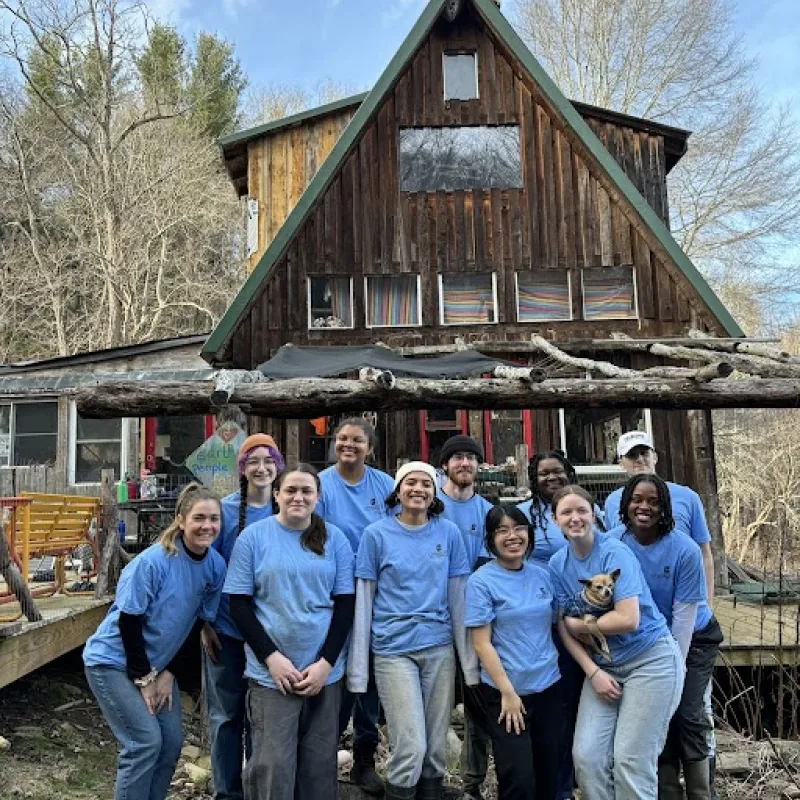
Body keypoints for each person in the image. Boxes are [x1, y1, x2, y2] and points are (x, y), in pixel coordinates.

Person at [83, 483, 226, 800]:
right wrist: (145, 678)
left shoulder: (215, 566)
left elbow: (195, 623)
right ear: (180, 520)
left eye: (214, 519)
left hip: (159, 666)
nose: (207, 526)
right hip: (113, 661)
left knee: (170, 744)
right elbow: (129, 622)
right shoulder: (154, 562)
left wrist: (168, 673)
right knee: (144, 742)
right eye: (199, 518)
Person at [224, 464, 355, 800]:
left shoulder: (335, 539)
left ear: (317, 497)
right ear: (277, 495)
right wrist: (271, 658)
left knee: (318, 766)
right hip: (272, 674)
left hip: (323, 672)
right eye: (291, 490)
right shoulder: (253, 538)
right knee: (273, 765)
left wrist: (326, 663)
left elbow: (345, 605)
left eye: (306, 491)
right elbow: (239, 605)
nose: (298, 497)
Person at [348, 461, 475, 800]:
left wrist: (468, 662)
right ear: (398, 490)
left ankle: (430, 791)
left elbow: (458, 596)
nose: (418, 489)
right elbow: (365, 599)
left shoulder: (448, 533)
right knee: (412, 745)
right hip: (394, 649)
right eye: (410, 483)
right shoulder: (376, 534)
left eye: (426, 484)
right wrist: (358, 667)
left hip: (439, 647)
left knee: (435, 746)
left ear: (434, 493)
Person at [549, 485, 684, 800]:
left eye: (581, 510)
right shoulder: (557, 565)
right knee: (587, 759)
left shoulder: (614, 552)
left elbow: (628, 618)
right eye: (566, 512)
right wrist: (593, 672)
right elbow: (563, 626)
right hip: (604, 666)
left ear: (594, 514)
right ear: (555, 519)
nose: (575, 518)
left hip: (650, 660)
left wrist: (584, 625)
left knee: (630, 761)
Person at [608, 475, 723, 800]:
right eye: (637, 500)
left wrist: (674, 671)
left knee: (687, 712)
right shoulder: (613, 544)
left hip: (691, 637)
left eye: (653, 501)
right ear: (625, 504)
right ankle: (668, 791)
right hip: (644, 639)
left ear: (665, 508)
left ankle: (702, 792)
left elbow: (684, 619)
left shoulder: (684, 549)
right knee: (658, 715)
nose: (644, 507)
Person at [201, 433, 284, 800]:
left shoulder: (287, 507)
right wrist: (204, 623)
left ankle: (257, 790)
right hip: (227, 630)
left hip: (271, 634)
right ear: (242, 468)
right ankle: (227, 792)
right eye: (253, 461)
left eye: (268, 461)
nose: (261, 468)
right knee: (226, 716)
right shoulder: (224, 511)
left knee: (261, 719)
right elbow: (206, 569)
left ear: (278, 466)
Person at [316, 417, 395, 795]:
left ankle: (364, 758)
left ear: (370, 448)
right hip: (334, 592)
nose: (349, 445)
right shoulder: (322, 485)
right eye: (342, 439)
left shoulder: (385, 485)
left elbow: (399, 529)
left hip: (377, 592)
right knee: (335, 672)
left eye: (357, 440)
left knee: (369, 677)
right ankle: (320, 757)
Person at [466, 505, 562, 800]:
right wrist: (508, 693)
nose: (512, 536)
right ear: (490, 539)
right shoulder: (481, 581)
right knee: (518, 780)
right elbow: (481, 643)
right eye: (502, 530)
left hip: (549, 688)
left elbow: (558, 625)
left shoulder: (542, 576)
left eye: (519, 528)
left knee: (549, 777)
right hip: (507, 694)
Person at [517, 450, 597, 800]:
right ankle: (559, 785)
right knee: (559, 707)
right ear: (533, 479)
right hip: (545, 624)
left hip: (587, 621)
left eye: (557, 471)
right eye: (543, 474)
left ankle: (586, 776)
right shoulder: (524, 515)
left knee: (585, 702)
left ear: (569, 472)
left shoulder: (590, 512)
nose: (551, 478)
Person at [437, 434, 494, 800]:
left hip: (473, 619)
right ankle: (431, 778)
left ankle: (472, 783)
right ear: (444, 464)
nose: (464, 463)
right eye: (457, 457)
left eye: (471, 458)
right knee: (435, 702)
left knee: (476, 701)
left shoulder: (487, 511)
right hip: (432, 618)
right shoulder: (428, 501)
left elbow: (489, 565)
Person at [604, 432, 714, 601]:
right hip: (634, 601)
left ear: (654, 457)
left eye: (644, 453)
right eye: (632, 455)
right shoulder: (612, 502)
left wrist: (707, 603)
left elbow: (704, 553)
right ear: (621, 463)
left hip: (682, 596)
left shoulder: (687, 497)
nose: (640, 459)